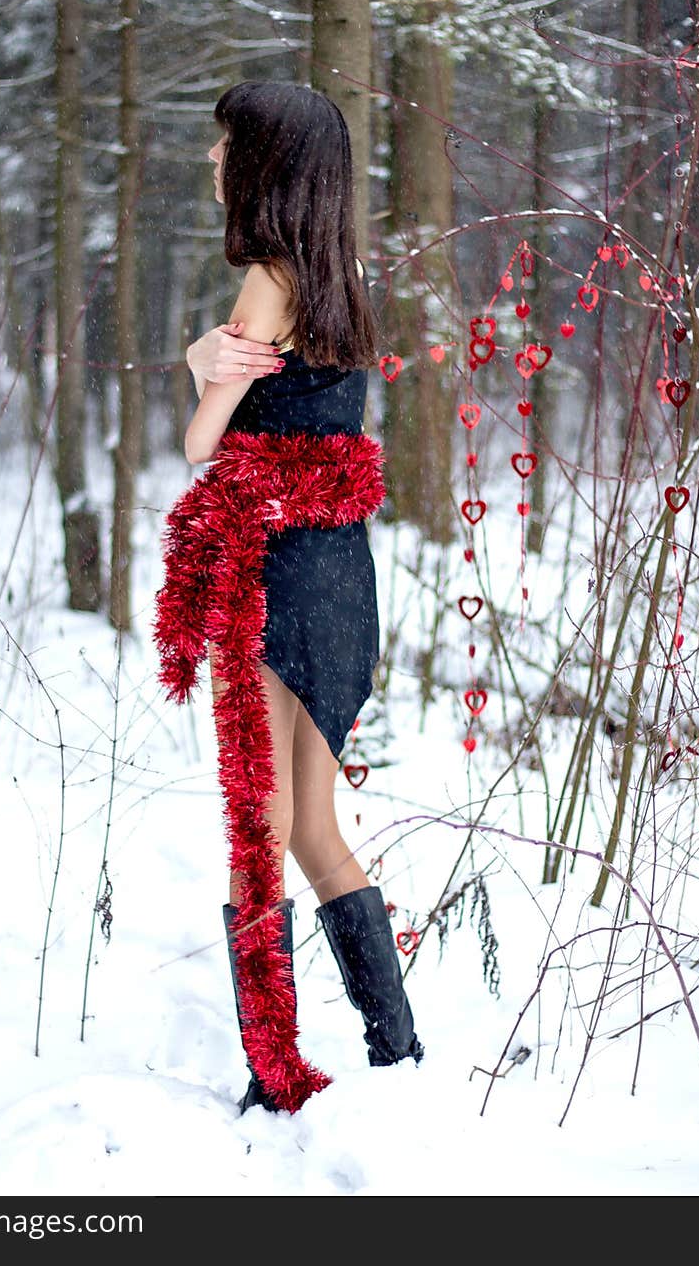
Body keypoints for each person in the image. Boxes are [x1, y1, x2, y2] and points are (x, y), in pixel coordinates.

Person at [153, 81, 424, 1116]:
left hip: (271, 569)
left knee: (258, 831)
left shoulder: (266, 284)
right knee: (310, 824)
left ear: (266, 167)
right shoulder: (344, 276)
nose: (213, 164)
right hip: (339, 568)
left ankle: (276, 1075)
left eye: (225, 148)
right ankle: (396, 1051)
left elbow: (199, 441)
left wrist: (193, 362)